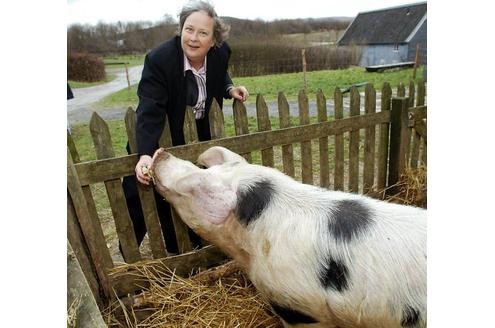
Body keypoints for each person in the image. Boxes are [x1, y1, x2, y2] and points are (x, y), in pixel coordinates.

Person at [122, 0, 249, 257]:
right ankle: (127, 255)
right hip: (162, 137)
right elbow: (150, 108)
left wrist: (228, 88)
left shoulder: (221, 53)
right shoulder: (159, 60)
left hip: (198, 137)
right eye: (189, 29)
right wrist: (145, 153)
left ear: (214, 40)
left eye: (203, 33)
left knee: (191, 193)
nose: (193, 38)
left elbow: (220, 73)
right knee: (139, 197)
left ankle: (189, 249)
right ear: (181, 29)